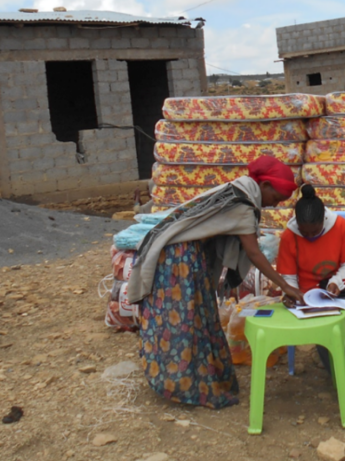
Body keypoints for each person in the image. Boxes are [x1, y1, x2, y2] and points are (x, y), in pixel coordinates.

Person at [128, 155, 306, 409]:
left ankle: (198, 380)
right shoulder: (243, 204)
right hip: (179, 260)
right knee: (184, 320)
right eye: (275, 198)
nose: (273, 205)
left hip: (183, 256)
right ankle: (184, 387)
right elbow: (254, 253)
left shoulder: (236, 190)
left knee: (198, 316)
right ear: (264, 185)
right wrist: (286, 286)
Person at [276, 184, 345, 414]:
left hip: (341, 288)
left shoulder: (338, 226)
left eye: (314, 232)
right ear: (297, 224)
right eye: (304, 233)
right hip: (308, 296)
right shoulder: (289, 236)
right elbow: (288, 277)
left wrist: (336, 283)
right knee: (330, 324)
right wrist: (294, 294)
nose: (309, 237)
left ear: (322, 222)